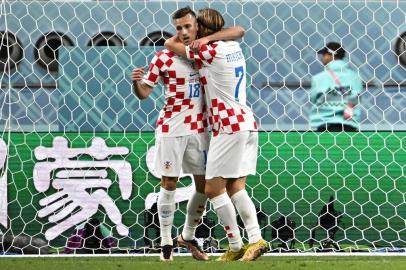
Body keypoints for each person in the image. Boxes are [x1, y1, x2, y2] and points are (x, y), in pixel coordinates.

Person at [132, 7, 244, 261]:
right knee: (169, 182)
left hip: (201, 129)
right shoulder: (163, 58)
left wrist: (208, 38)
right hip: (171, 127)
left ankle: (189, 235)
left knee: (204, 186)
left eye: (187, 27)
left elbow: (238, 31)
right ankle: (165, 242)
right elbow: (144, 93)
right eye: (178, 28)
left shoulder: (205, 53)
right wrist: (135, 83)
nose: (182, 32)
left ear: (198, 27)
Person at [165, 8, 267, 261]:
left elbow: (169, 43)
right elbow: (239, 30)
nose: (189, 32)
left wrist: (195, 38)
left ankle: (236, 245)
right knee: (235, 187)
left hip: (228, 126)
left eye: (193, 27)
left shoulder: (207, 50)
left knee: (212, 188)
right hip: (247, 121)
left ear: (202, 29)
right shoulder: (231, 46)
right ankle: (254, 240)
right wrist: (209, 36)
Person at [310, 42, 363, 132]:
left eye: (324, 54)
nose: (322, 58)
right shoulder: (355, 77)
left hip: (324, 127)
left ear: (330, 55)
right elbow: (356, 99)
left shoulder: (318, 78)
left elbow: (313, 98)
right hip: (349, 126)